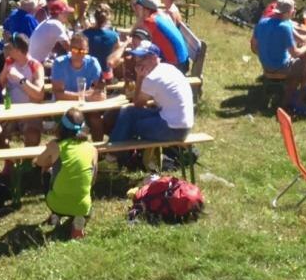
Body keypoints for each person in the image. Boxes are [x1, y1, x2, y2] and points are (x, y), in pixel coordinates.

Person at [108, 44, 194, 144]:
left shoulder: (152, 78)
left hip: (173, 130)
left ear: (154, 58)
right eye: (137, 59)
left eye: (142, 59)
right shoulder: (169, 68)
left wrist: (139, 77)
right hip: (181, 125)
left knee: (130, 123)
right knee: (129, 113)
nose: (138, 63)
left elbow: (138, 104)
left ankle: (113, 153)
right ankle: (118, 152)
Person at [35, 108, 97, 240]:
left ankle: (56, 214)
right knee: (84, 178)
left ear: (61, 127)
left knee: (46, 169)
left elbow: (39, 162)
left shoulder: (56, 145)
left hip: (57, 204)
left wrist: (49, 158)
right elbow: (93, 180)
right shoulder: (92, 149)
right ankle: (78, 221)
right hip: (83, 205)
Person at [252, 0, 306, 106]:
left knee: (301, 63)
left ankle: (291, 90)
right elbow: (295, 53)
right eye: (293, 10)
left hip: (266, 65)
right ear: (288, 12)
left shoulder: (262, 22)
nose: (295, 11)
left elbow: (254, 45)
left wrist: (265, 54)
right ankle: (297, 98)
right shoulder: (284, 27)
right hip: (279, 66)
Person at [132, 0, 191, 71]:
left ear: (142, 8)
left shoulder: (150, 21)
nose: (134, 10)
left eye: (136, 7)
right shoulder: (160, 15)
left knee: (139, 63)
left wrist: (140, 17)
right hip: (183, 60)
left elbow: (134, 36)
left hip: (176, 65)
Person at [48, 32, 105, 98]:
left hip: (85, 103)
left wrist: (91, 94)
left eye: (82, 50)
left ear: (87, 50)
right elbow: (58, 94)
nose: (78, 53)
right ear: (70, 49)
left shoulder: (93, 62)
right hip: (62, 105)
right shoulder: (59, 63)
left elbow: (101, 91)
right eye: (75, 50)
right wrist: (84, 95)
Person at [28, 0, 70, 65]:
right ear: (60, 13)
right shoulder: (56, 24)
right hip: (36, 64)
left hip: (32, 61)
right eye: (66, 13)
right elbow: (68, 47)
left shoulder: (47, 21)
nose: (68, 15)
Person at [82, 4, 120, 71]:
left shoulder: (85, 34)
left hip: (87, 71)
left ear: (94, 16)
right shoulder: (114, 36)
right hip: (106, 73)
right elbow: (116, 55)